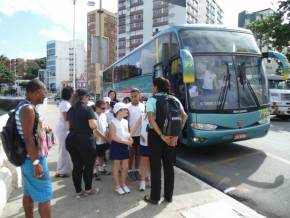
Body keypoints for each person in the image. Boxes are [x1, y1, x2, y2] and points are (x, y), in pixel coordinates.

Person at [144, 77, 187, 205]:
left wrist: (161, 135)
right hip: (171, 138)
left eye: (153, 86)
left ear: (156, 87)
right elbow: (184, 116)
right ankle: (168, 197)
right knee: (169, 167)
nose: (152, 89)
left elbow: (151, 119)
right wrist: (176, 134)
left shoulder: (152, 99)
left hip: (156, 136)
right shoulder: (174, 99)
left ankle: (155, 198)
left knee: (156, 168)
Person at [16, 79, 52, 218]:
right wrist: (36, 163)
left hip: (27, 159)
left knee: (28, 192)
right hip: (32, 159)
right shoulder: (28, 109)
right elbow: (28, 138)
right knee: (45, 196)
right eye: (44, 93)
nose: (45, 96)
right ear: (37, 92)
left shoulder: (23, 106)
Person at [66, 89, 98, 198]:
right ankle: (88, 189)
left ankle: (78, 191)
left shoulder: (70, 110)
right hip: (85, 140)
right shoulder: (87, 108)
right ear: (83, 97)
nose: (88, 99)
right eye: (88, 96)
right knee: (88, 166)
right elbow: (93, 125)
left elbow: (68, 127)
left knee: (77, 166)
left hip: (71, 140)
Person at [109, 102, 133, 195]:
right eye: (124, 109)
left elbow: (127, 133)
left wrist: (130, 138)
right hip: (116, 145)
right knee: (116, 167)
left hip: (124, 145)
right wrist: (126, 142)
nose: (127, 111)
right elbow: (113, 137)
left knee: (125, 167)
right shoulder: (112, 122)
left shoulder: (125, 121)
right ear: (118, 111)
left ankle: (123, 184)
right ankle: (117, 186)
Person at [55, 86, 74, 178]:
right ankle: (62, 171)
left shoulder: (65, 103)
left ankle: (61, 170)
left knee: (64, 150)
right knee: (64, 150)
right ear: (70, 93)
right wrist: (70, 130)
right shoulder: (65, 104)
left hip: (63, 129)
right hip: (64, 129)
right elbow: (67, 119)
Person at [127, 88, 145, 180]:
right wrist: (128, 134)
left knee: (139, 154)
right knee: (131, 154)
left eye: (136, 96)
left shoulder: (143, 106)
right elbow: (125, 121)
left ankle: (137, 170)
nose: (134, 98)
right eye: (132, 96)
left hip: (141, 135)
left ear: (139, 95)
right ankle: (129, 171)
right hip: (131, 135)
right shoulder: (127, 107)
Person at [93, 100, 111, 178]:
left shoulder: (103, 115)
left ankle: (101, 169)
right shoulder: (92, 115)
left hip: (103, 140)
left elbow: (106, 126)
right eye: (102, 108)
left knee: (101, 155)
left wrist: (107, 134)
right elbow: (95, 130)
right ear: (96, 107)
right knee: (93, 156)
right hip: (95, 140)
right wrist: (105, 138)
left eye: (105, 108)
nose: (104, 110)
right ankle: (93, 171)